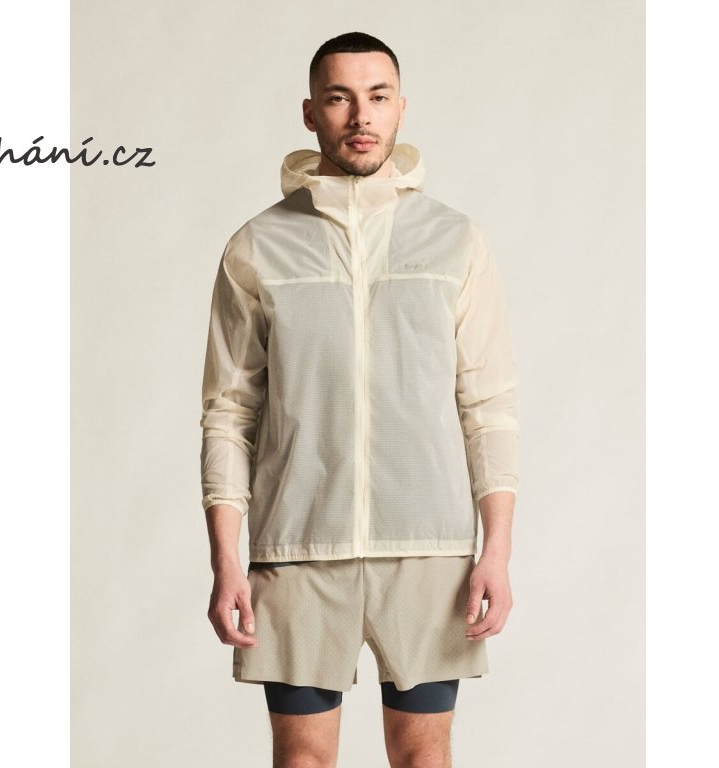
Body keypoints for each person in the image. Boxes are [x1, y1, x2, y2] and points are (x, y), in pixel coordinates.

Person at [200, 31, 519, 768]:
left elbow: (488, 405)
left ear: (402, 107)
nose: (360, 116)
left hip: (429, 548)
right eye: (339, 98)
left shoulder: (455, 242)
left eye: (377, 96)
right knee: (302, 761)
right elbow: (229, 413)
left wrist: (496, 551)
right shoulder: (257, 246)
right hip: (297, 548)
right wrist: (226, 560)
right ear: (310, 113)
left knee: (422, 758)